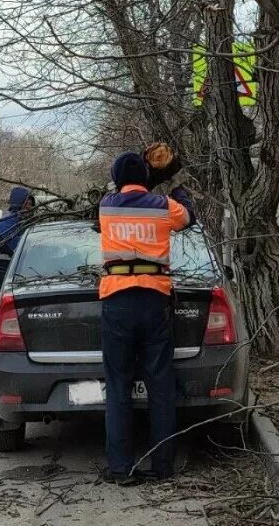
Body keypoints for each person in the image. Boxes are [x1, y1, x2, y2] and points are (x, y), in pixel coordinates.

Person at [97, 151, 193, 484]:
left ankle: (120, 469)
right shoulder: (163, 206)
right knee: (160, 386)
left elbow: (107, 200)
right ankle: (162, 466)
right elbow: (189, 217)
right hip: (155, 299)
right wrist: (175, 183)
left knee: (119, 386)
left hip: (117, 300)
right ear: (147, 177)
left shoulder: (106, 206)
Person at [0, 187, 35, 297]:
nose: (29, 208)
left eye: (31, 204)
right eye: (27, 204)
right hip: (0, 280)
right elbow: (19, 249)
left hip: (8, 280)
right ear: (19, 203)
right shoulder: (6, 224)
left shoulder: (19, 222)